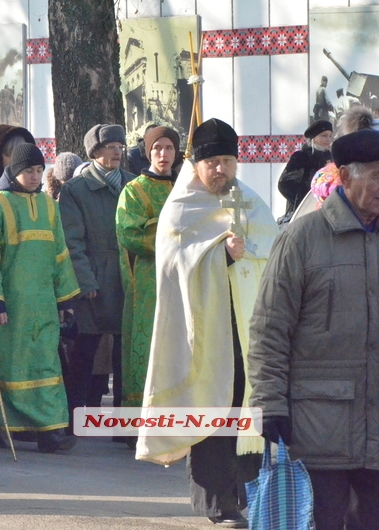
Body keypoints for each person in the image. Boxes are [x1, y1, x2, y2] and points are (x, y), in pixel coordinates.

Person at [136, 118, 279, 527]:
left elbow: (271, 254)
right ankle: (218, 503)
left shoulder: (250, 201)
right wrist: (221, 255)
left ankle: (242, 492)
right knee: (211, 408)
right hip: (204, 328)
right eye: (212, 161)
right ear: (196, 163)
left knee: (243, 406)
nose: (220, 170)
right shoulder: (182, 206)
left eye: (228, 161)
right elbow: (174, 262)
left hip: (248, 329)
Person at [249, 128, 379, 530]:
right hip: (318, 424)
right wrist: (269, 403)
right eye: (375, 174)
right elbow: (270, 328)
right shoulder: (302, 239)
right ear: (344, 175)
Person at [0, 143, 80, 452]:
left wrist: (65, 301)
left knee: (46, 364)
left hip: (43, 305)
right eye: (28, 171)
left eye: (39, 171)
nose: (35, 177)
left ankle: (51, 429)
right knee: (8, 366)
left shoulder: (49, 206)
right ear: (14, 172)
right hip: (9, 307)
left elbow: (60, 254)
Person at [60, 124, 136, 425]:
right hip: (93, 280)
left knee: (124, 354)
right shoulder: (75, 190)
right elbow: (72, 240)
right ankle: (74, 416)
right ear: (94, 152)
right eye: (110, 146)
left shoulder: (133, 184)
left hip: (126, 278)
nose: (118, 151)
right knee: (84, 350)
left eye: (120, 145)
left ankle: (123, 423)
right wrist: (85, 280)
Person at [116, 126, 179, 414]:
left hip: (185, 279)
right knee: (149, 344)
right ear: (147, 152)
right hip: (148, 281)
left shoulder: (187, 188)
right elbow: (130, 233)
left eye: (168, 148)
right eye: (157, 149)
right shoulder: (134, 190)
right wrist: (174, 233)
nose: (163, 154)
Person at [277, 119, 332, 223]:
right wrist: (304, 202)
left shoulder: (331, 158)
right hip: (302, 215)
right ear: (314, 138)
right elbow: (284, 184)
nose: (328, 139)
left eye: (330, 136)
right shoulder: (301, 157)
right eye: (324, 135)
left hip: (327, 213)